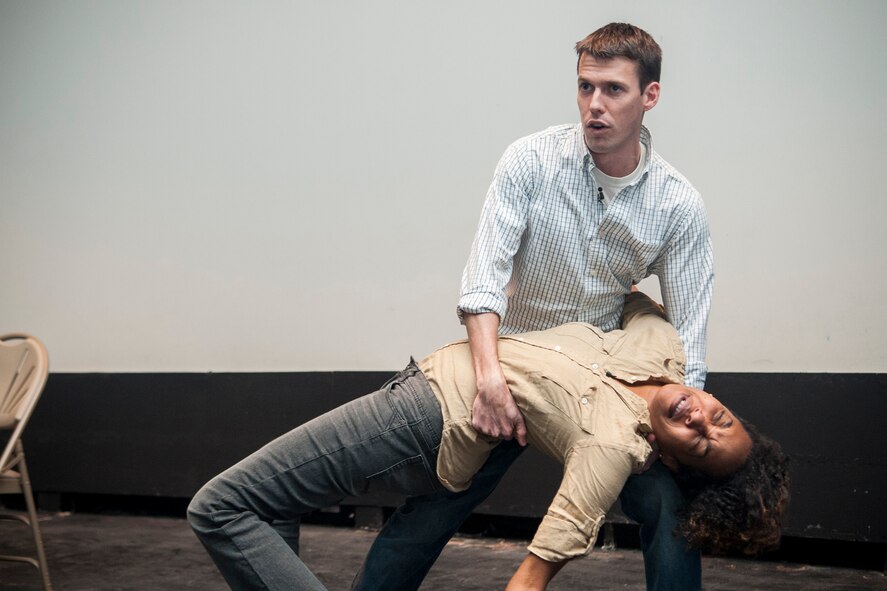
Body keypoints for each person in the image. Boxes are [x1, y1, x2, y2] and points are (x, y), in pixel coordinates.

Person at [353, 22, 714, 591]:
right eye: (585, 87)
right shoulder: (531, 160)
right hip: (513, 365)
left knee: (671, 508)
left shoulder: (678, 205)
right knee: (434, 508)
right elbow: (483, 280)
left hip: (602, 384)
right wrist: (490, 380)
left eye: (613, 90)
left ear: (651, 96)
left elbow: (690, 333)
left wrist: (678, 440)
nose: (594, 105)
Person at [188, 292, 790, 591]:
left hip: (427, 418)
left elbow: (543, 559)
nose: (702, 419)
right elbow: (621, 290)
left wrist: (531, 576)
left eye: (703, 443)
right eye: (723, 418)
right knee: (272, 508)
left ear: (673, 460)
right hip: (425, 391)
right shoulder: (661, 346)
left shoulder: (615, 444)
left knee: (222, 507)